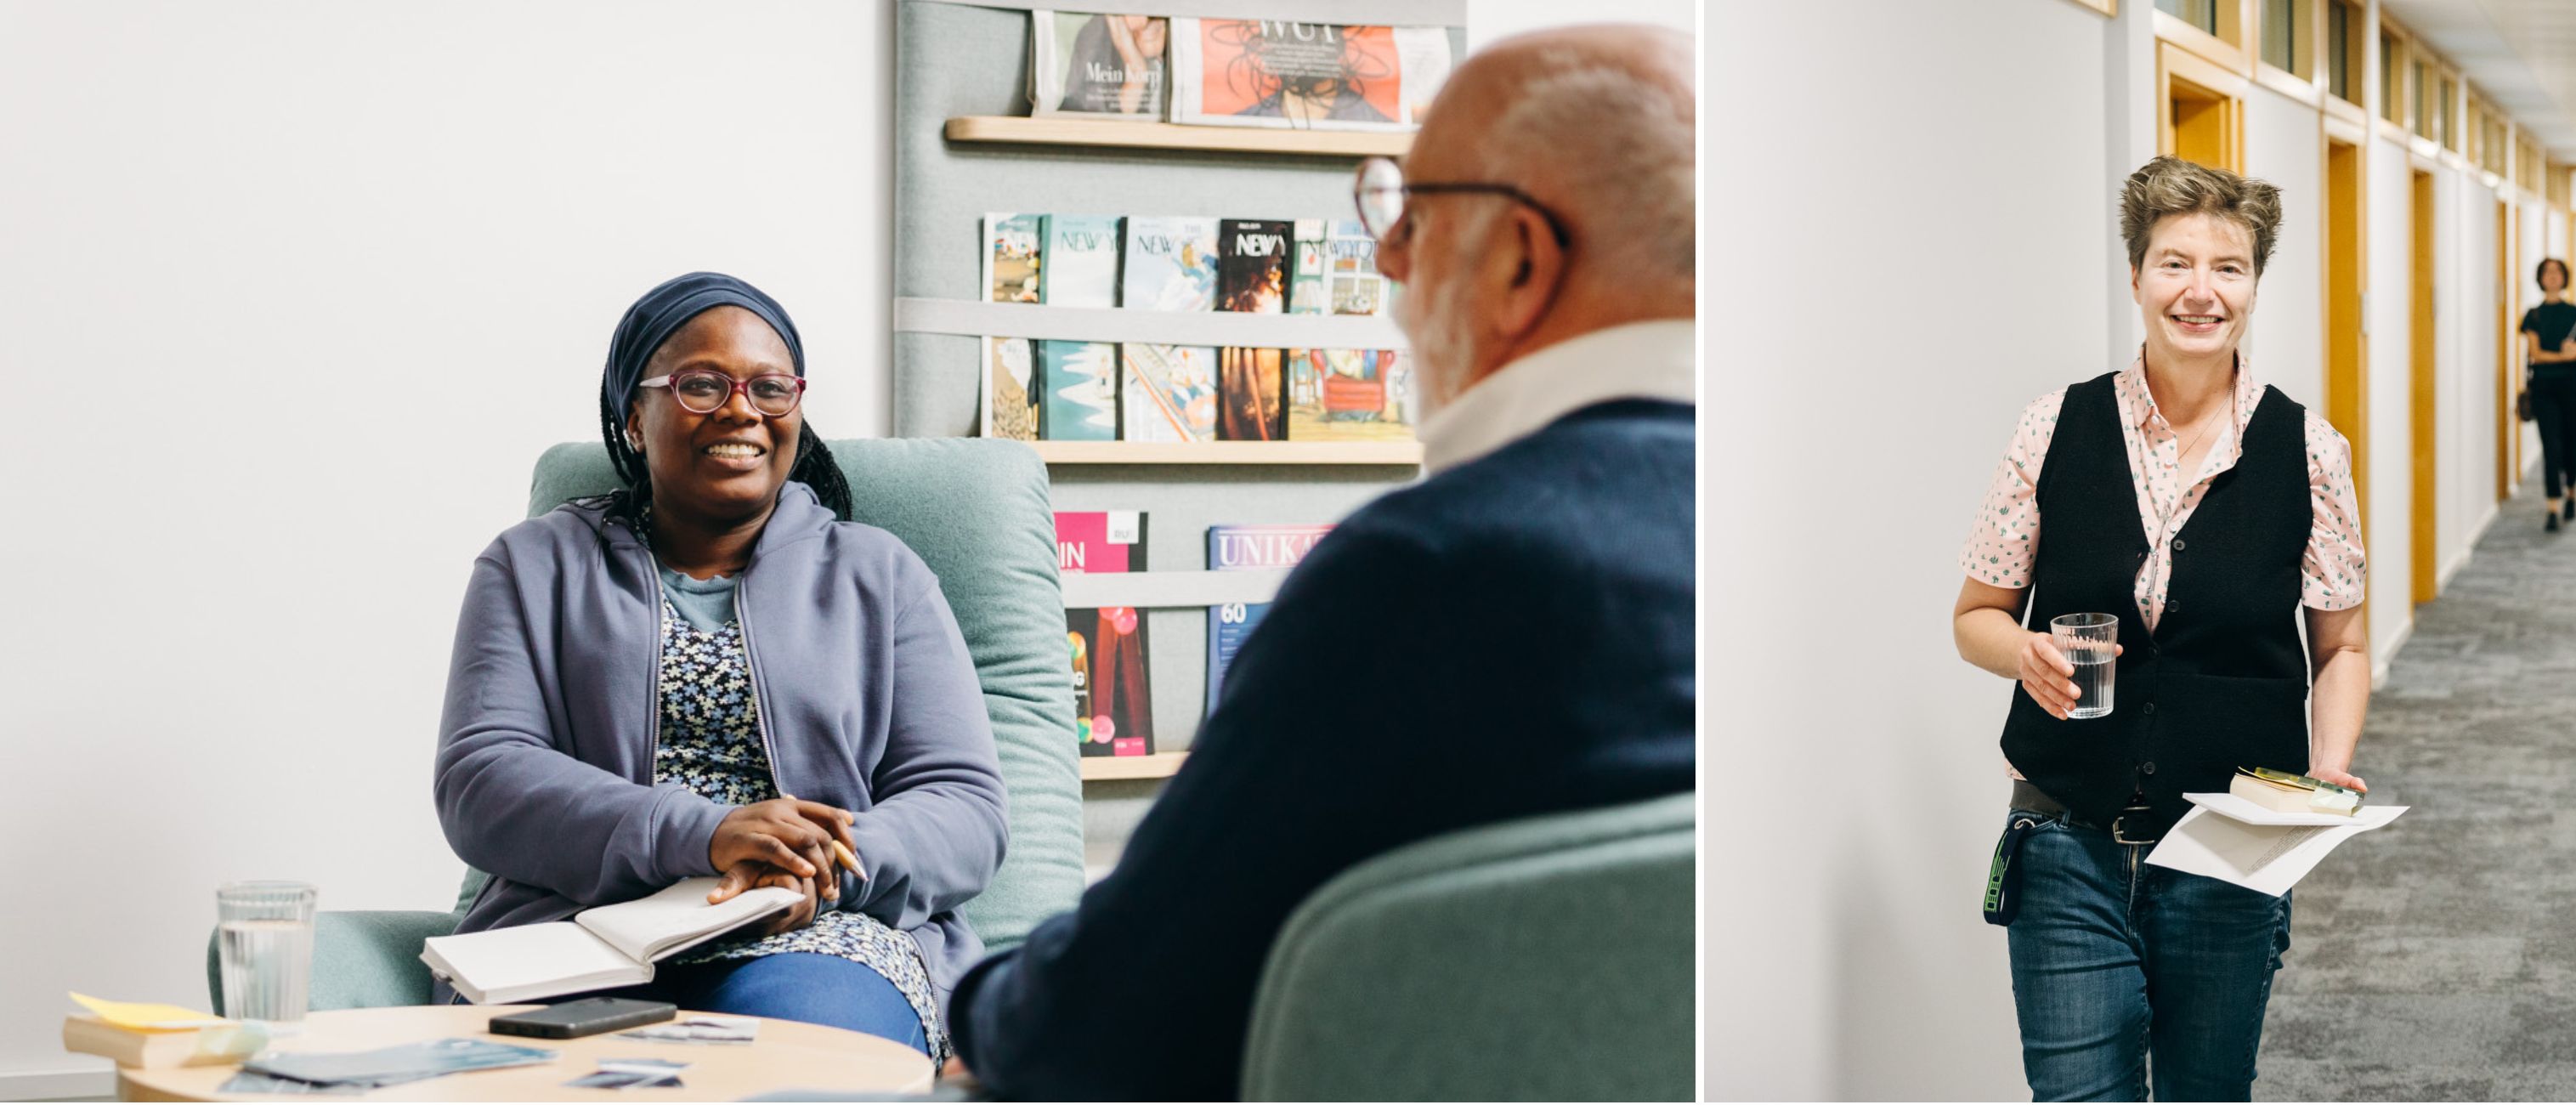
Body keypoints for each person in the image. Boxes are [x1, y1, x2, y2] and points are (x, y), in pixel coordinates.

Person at [946, 25, 1696, 1100]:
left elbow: (1096, 1031)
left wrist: (975, 994)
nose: (1385, 258)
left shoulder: (1428, 574)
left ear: (1521, 261)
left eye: (1413, 216)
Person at [433, 273, 1010, 1060]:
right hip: (576, 935)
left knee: (795, 1064)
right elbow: (482, 780)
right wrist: (706, 835)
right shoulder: (533, 566)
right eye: (701, 385)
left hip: (823, 935)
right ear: (636, 416)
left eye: (771, 388)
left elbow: (966, 807)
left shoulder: (881, 575)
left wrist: (817, 867)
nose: (742, 409)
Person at [1950, 155, 2370, 1102]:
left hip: (2232, 841)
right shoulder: (2052, 427)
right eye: (2174, 263)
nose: (2200, 291)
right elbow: (1974, 618)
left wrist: (2329, 763)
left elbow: (2340, 644)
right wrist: (2025, 653)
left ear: (2256, 285)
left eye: (2228, 267)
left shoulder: (2309, 449)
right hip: (2065, 841)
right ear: (2135, 275)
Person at [2517, 258, 2576, 531]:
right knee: (2551, 446)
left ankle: (2572, 492)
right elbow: (2535, 354)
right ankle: (2552, 504)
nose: (2552, 277)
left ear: (2565, 278)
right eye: (2547, 272)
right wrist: (2564, 356)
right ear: (2540, 279)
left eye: (2557, 272)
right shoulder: (2533, 316)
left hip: (2573, 387)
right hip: (2545, 390)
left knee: (2572, 441)